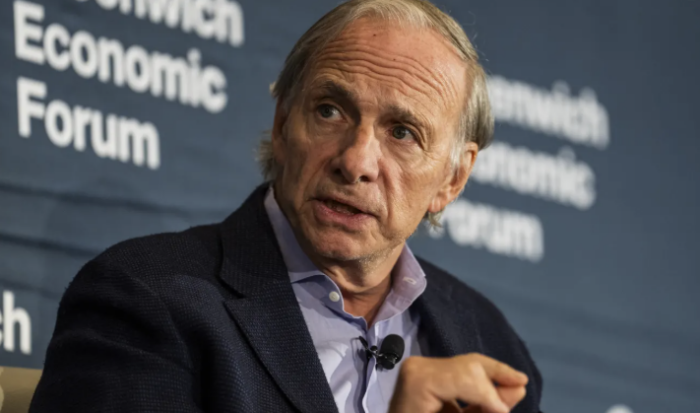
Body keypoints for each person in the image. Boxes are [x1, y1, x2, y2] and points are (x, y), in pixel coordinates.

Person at [30, 0, 543, 412]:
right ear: (282, 125)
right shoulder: (147, 299)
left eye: (403, 133)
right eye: (330, 110)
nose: (355, 162)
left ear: (452, 178)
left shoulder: (491, 344)